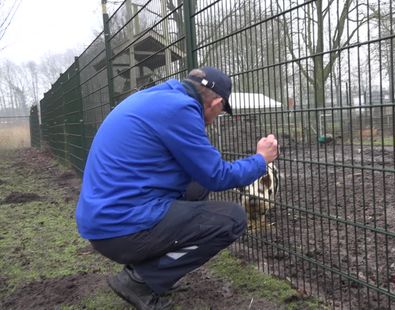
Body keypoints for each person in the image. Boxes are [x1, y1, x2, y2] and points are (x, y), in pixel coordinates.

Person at [75, 66, 279, 309]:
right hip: (119, 229)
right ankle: (140, 281)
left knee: (196, 186)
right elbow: (217, 175)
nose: (214, 121)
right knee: (232, 219)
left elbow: (202, 174)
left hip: (104, 219)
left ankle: (149, 269)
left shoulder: (158, 99)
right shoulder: (180, 110)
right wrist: (260, 159)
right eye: (221, 112)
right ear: (216, 103)